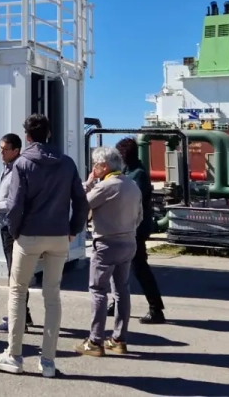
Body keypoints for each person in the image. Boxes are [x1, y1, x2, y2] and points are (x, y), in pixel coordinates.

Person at [0, 114, 88, 379]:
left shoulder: (22, 163)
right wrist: (73, 230)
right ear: (49, 134)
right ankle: (48, 362)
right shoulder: (66, 163)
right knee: (52, 296)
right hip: (58, 236)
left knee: (18, 291)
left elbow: (16, 203)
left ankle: (14, 355)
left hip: (29, 234)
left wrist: (16, 231)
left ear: (28, 137)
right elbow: (81, 199)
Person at [76, 145, 144, 357]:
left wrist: (87, 184)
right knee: (121, 290)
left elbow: (81, 204)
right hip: (129, 241)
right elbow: (140, 216)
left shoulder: (106, 186)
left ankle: (95, 341)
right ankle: (119, 338)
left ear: (104, 166)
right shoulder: (132, 184)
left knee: (98, 290)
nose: (94, 168)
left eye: (96, 165)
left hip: (107, 243)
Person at [111, 137, 167, 325]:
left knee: (139, 268)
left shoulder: (138, 174)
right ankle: (116, 302)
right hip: (127, 226)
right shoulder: (130, 170)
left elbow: (126, 195)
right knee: (118, 267)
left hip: (135, 228)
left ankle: (156, 309)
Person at [0, 133, 33, 334]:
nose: (1, 152)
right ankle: (24, 314)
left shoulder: (17, 169)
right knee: (15, 271)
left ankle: (18, 319)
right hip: (5, 225)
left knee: (16, 274)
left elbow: (17, 199)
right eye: (0, 148)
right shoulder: (7, 168)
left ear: (16, 150)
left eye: (5, 149)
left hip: (11, 227)